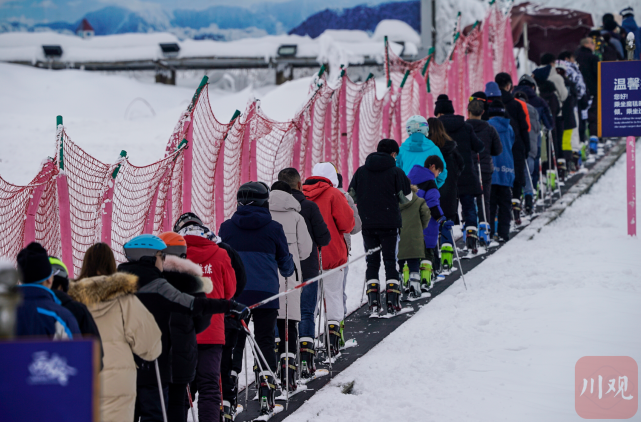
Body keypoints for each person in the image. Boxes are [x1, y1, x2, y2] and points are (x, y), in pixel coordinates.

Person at [118, 234, 247, 422]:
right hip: (185, 349)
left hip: (140, 358)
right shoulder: (190, 280)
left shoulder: (134, 280)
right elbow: (203, 312)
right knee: (193, 393)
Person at [219, 181, 294, 418]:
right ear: (265, 202)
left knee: (233, 342)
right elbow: (286, 265)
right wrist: (286, 266)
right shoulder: (274, 228)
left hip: (236, 296)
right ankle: (266, 383)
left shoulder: (226, 228)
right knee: (264, 340)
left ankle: (230, 385)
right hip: (266, 295)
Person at [69, 244, 162, 422]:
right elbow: (150, 343)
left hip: (80, 374)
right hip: (118, 380)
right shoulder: (124, 298)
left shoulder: (70, 298)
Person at [172, 212, 247, 422]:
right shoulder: (220, 254)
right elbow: (230, 292)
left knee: (180, 389)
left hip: (180, 332)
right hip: (212, 332)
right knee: (210, 387)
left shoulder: (171, 256)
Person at [276, 167, 330, 381]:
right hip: (307, 268)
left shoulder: (268, 209)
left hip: (279, 273)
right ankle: (306, 356)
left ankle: (279, 356)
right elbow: (324, 238)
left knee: (280, 315)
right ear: (299, 185)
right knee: (306, 312)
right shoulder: (308, 207)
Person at [156, 232, 214, 422]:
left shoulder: (151, 279)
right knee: (177, 402)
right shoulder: (193, 282)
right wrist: (187, 330)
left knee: (154, 403)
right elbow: (204, 319)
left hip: (155, 353)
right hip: (183, 353)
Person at [348, 141, 406, 315]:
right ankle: (393, 300)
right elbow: (406, 198)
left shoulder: (361, 171)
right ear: (393, 154)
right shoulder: (396, 172)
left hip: (368, 224)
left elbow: (351, 196)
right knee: (390, 261)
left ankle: (373, 301)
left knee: (372, 261)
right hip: (390, 224)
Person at [269, 181, 313, 392]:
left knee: (270, 321)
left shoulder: (264, 215)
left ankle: (272, 362)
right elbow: (306, 250)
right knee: (290, 322)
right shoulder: (297, 216)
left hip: (267, 274)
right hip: (290, 273)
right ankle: (289, 366)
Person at [304, 163, 354, 349]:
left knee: (309, 299)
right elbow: (347, 224)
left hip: (307, 256)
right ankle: (333, 335)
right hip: (332, 253)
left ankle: (306, 338)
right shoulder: (334, 194)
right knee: (333, 295)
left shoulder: (301, 194)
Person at [435, 94, 485, 253]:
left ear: (438, 114)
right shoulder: (466, 126)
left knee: (446, 210)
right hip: (467, 173)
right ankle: (471, 232)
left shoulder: (436, 130)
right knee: (469, 205)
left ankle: (446, 242)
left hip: (446, 176)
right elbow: (479, 147)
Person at [15, 242, 80, 339]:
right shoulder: (62, 317)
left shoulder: (5, 313)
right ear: (49, 279)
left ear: (20, 279)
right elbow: (77, 352)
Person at [49, 256, 104, 367]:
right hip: (68, 379)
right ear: (61, 286)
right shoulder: (77, 310)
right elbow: (96, 356)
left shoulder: (15, 308)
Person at [494, 72, 531, 225]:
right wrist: (526, 148)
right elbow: (524, 128)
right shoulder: (517, 104)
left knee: (500, 178)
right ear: (509, 86)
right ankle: (516, 207)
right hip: (516, 146)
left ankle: (498, 214)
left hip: (497, 147)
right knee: (517, 177)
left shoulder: (492, 104)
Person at [466, 93, 502, 244]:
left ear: (468, 111)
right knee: (484, 200)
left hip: (468, 169)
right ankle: (484, 229)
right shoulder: (490, 129)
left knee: (468, 200)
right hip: (485, 168)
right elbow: (497, 150)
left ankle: (470, 230)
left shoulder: (464, 128)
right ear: (482, 112)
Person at [407, 155, 449, 282]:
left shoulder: (408, 179)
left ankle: (409, 279)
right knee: (427, 252)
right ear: (433, 167)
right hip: (426, 225)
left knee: (411, 254)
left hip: (408, 224)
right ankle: (427, 279)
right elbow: (432, 204)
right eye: (438, 171)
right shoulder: (430, 183)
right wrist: (441, 218)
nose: (437, 175)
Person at [336, 173, 361, 345]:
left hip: (313, 255)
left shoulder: (306, 196)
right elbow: (355, 226)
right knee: (338, 292)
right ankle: (337, 330)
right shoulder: (344, 197)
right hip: (339, 252)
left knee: (312, 298)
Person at [397, 175, 431, 297]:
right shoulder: (419, 201)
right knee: (414, 262)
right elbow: (426, 215)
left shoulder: (394, 201)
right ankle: (414, 287)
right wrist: (420, 227)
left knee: (398, 264)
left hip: (398, 238)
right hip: (414, 238)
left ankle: (398, 287)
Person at [487, 100, 515, 242]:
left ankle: (491, 232)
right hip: (506, 169)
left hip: (491, 170)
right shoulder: (509, 128)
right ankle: (504, 232)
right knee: (505, 204)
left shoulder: (488, 126)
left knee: (491, 204)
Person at [396, 115, 447, 187]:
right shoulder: (434, 149)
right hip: (428, 191)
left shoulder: (401, 150)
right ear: (426, 129)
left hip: (408, 192)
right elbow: (442, 171)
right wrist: (435, 186)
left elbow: (397, 172)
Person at [428, 116, 461, 226]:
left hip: (430, 193)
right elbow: (461, 164)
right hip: (449, 192)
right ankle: (447, 242)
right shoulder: (451, 147)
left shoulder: (426, 149)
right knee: (446, 226)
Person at [514, 90, 540, 215]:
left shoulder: (512, 107)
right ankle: (529, 201)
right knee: (527, 176)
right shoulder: (533, 110)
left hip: (517, 147)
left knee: (518, 176)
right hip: (531, 148)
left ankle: (516, 203)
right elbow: (537, 129)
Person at [575, 37, 599, 138]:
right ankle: (594, 139)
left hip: (577, 91)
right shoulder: (593, 58)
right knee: (593, 116)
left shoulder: (575, 56)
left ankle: (581, 140)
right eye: (592, 43)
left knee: (579, 116)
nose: (594, 45)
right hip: (592, 91)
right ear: (586, 44)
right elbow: (598, 74)